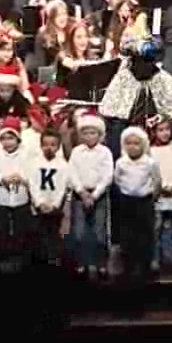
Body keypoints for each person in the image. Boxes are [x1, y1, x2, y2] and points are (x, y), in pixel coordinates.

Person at [68, 110, 113, 279]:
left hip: (98, 195)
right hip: (80, 195)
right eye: (85, 133)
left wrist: (94, 195)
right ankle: (82, 263)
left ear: (100, 134)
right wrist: (81, 191)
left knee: (99, 233)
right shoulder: (77, 152)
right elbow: (72, 173)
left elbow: (107, 175)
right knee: (79, 232)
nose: (89, 136)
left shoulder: (105, 152)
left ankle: (101, 263)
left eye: (93, 132)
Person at [114, 126, 161, 284]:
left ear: (143, 145)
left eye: (136, 143)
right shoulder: (121, 163)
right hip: (127, 202)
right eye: (129, 143)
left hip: (144, 202)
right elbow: (117, 180)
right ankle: (128, 267)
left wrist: (151, 196)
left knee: (145, 236)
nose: (132, 147)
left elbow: (156, 182)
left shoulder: (149, 163)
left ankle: (145, 267)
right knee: (127, 236)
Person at [0, 117, 32, 265]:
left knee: (21, 228)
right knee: (2, 228)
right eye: (4, 138)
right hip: (2, 197)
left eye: (11, 138)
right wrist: (2, 179)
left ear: (18, 138)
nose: (7, 142)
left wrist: (21, 178)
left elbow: (32, 175)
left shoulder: (26, 154)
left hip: (21, 198)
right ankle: (2, 254)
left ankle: (20, 256)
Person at [28, 128, 70, 265]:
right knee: (38, 232)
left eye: (52, 145)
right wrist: (39, 203)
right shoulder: (35, 163)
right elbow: (32, 184)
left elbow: (62, 186)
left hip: (55, 206)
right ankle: (39, 259)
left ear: (58, 147)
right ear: (40, 146)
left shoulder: (63, 165)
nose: (49, 148)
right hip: (39, 206)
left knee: (53, 232)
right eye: (45, 144)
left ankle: (54, 258)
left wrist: (55, 204)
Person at [149, 119, 172, 275]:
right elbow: (151, 172)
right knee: (156, 226)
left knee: (168, 225)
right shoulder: (150, 150)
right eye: (160, 130)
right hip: (157, 194)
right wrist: (159, 187)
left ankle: (167, 255)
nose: (164, 133)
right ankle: (154, 258)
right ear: (154, 132)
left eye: (167, 129)